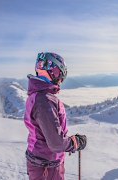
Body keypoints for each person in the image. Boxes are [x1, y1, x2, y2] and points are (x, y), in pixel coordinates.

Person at [24, 51, 87, 180]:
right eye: (59, 74)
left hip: (42, 162)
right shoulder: (44, 100)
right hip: (46, 166)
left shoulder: (37, 95)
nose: (60, 80)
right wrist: (75, 143)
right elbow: (56, 143)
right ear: (52, 71)